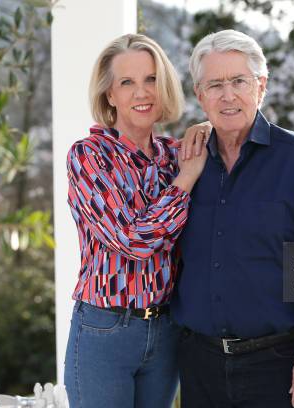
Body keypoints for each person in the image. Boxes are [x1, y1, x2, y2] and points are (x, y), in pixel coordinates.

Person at [173, 29, 294, 408]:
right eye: (214, 84)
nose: (227, 95)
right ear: (200, 95)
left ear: (261, 85)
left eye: (239, 81)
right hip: (200, 365)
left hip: (278, 366)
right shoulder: (186, 162)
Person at [63, 34, 209, 408]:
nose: (142, 92)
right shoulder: (89, 156)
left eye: (150, 80)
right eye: (127, 82)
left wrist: (208, 130)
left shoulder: (176, 155)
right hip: (105, 330)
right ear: (109, 94)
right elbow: (133, 240)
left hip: (166, 331)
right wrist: (185, 181)